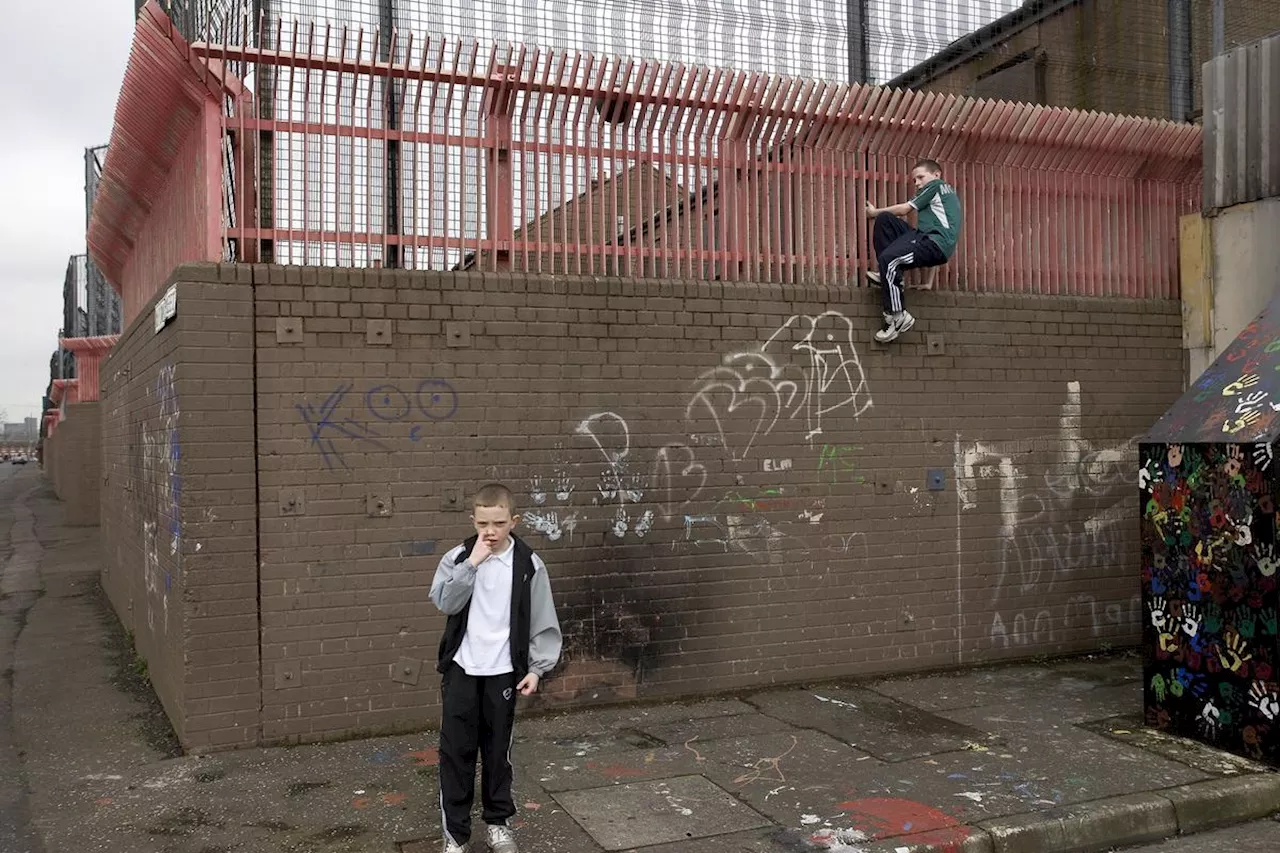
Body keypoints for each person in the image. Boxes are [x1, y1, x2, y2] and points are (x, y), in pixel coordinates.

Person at [430, 483, 562, 853]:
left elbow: (543, 618)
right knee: (456, 753)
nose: (490, 531)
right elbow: (445, 603)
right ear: (473, 520)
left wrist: (537, 668)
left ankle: (498, 824)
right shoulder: (458, 557)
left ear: (513, 520)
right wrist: (472, 564)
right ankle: (455, 835)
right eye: (483, 523)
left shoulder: (527, 563)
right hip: (462, 670)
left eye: (499, 523)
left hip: (504, 672)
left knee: (497, 752)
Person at [863, 158, 963, 343]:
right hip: (931, 241)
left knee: (889, 258)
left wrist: (874, 212)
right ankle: (888, 274)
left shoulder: (935, 186)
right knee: (886, 221)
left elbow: (904, 209)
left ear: (936, 175)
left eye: (920, 177)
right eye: (914, 180)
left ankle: (898, 315)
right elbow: (942, 236)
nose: (917, 183)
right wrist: (929, 283)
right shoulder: (947, 195)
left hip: (932, 243)